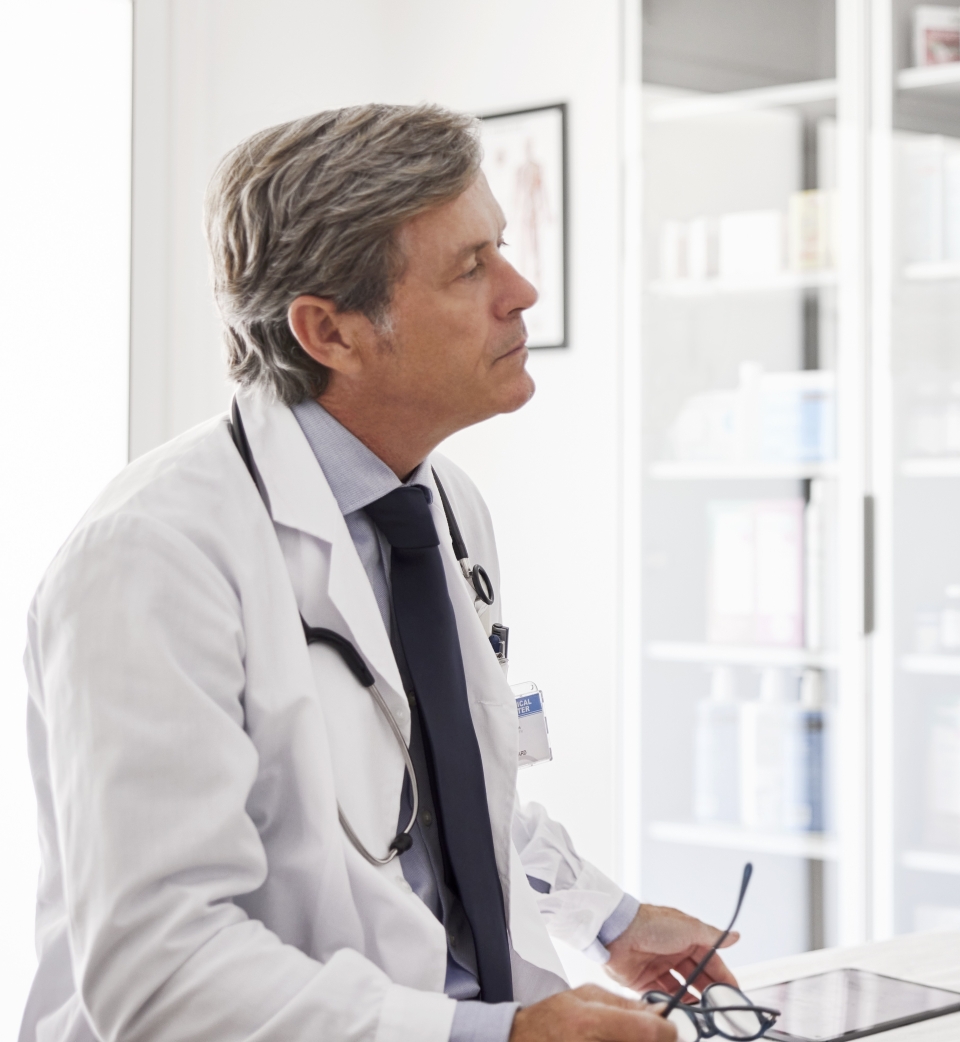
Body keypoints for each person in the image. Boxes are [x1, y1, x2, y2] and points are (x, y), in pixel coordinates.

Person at [23, 104, 732, 1042]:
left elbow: (442, 793)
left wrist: (611, 920)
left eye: (502, 250)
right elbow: (162, 969)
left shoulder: (441, 505)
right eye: (470, 268)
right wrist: (496, 1036)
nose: (521, 291)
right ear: (330, 332)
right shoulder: (152, 557)